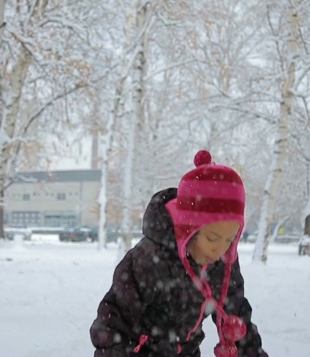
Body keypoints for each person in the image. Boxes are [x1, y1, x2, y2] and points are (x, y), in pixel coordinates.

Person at [90, 150, 267, 357]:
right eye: (212, 238)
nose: (219, 249)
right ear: (189, 229)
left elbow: (235, 313)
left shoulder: (223, 262)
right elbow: (112, 323)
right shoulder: (148, 261)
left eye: (229, 240)